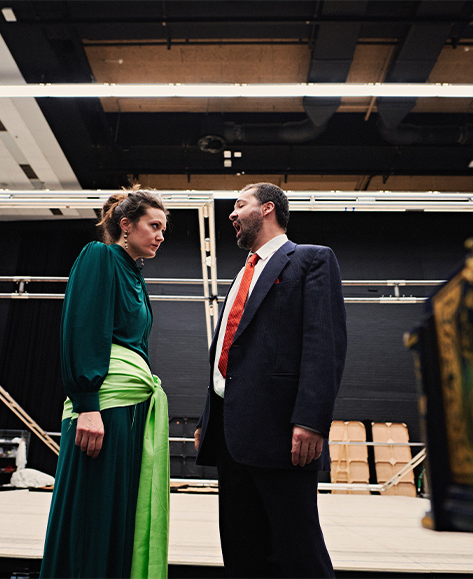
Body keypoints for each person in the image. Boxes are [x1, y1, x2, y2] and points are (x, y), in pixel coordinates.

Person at [194, 182, 347, 578]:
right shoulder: (239, 276)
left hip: (282, 434)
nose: (231, 214)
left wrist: (311, 420)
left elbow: (323, 344)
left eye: (239, 205)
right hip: (231, 435)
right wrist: (208, 418)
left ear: (266, 209)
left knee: (298, 550)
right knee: (243, 551)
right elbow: (231, 351)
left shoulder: (311, 260)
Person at [41, 187, 170, 579]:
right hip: (104, 408)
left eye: (164, 228)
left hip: (129, 410)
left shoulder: (134, 273)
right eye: (154, 225)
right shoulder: (100, 257)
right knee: (92, 511)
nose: (161, 235)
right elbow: (82, 330)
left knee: (119, 511)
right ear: (126, 225)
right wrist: (88, 405)